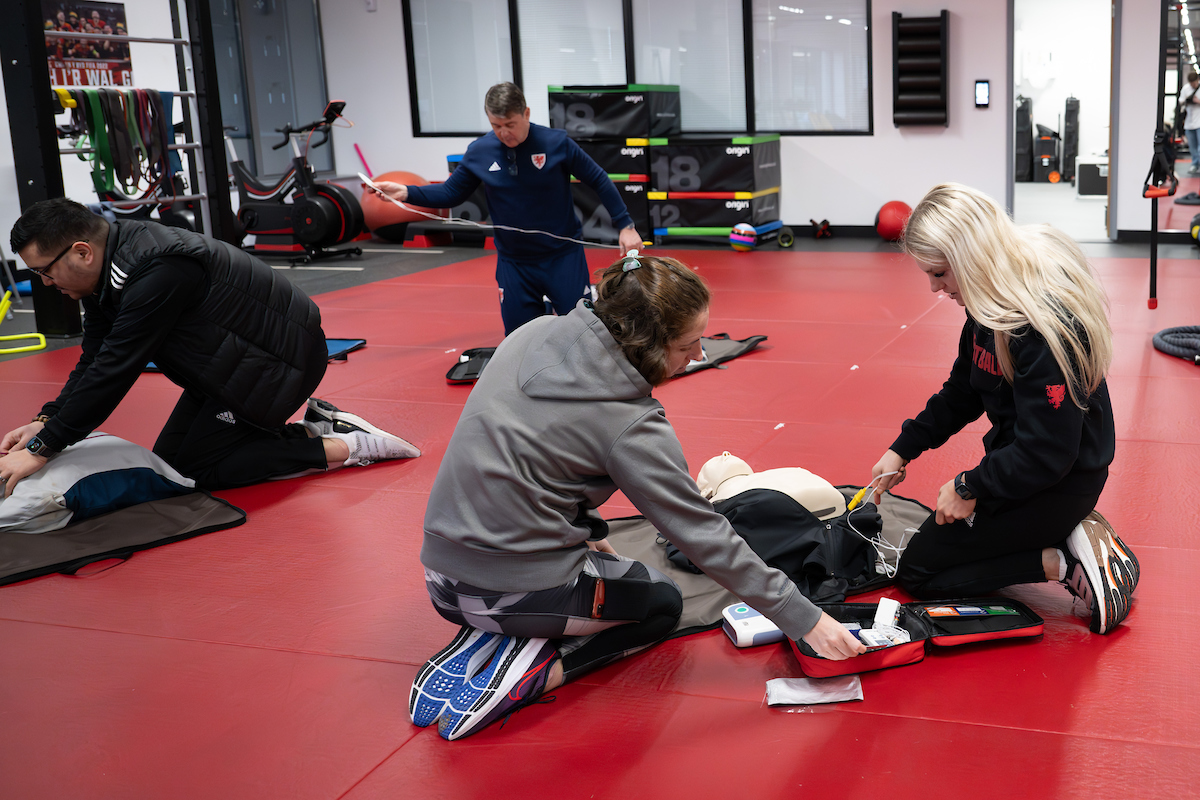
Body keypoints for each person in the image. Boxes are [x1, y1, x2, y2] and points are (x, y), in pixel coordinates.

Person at [409, 252, 864, 742]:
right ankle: (535, 671)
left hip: (441, 582)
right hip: (513, 592)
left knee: (599, 567)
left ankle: (489, 632)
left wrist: (589, 531)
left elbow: (523, 452)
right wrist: (805, 618)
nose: (699, 356)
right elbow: (704, 534)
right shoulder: (632, 424)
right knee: (662, 602)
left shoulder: (531, 334)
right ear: (647, 345)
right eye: (689, 345)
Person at [0, 198, 419, 499]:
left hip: (278, 367)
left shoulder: (156, 271)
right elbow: (95, 354)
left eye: (43, 271)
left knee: (199, 471)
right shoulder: (109, 268)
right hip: (229, 369)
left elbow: (116, 367)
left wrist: (44, 448)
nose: (45, 283)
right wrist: (47, 419)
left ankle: (349, 445)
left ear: (81, 252)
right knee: (172, 468)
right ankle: (315, 426)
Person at [868, 183, 1138, 636]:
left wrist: (969, 485)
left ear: (970, 259)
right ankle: (1063, 542)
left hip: (1058, 481)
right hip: (1019, 470)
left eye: (939, 274)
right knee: (927, 559)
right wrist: (902, 449)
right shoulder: (985, 307)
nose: (935, 288)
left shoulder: (1039, 326)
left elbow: (1048, 452)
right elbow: (963, 391)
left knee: (919, 574)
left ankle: (1062, 560)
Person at [371, 82, 643, 335]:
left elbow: (598, 179)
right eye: (496, 125)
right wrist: (404, 192)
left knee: (584, 331)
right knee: (519, 338)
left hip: (562, 258)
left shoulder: (556, 143)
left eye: (510, 124)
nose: (504, 133)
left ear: (526, 113)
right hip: (514, 262)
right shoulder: (480, 150)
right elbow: (451, 192)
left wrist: (626, 226)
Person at [1181, 71, 1200, 175]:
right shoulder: (1186, 89)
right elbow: (1181, 101)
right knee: (1192, 146)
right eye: (1191, 84)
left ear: (1198, 80)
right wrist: (1187, 101)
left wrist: (1198, 101)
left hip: (1199, 122)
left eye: (1194, 83)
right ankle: (1194, 164)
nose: (1193, 86)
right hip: (1189, 122)